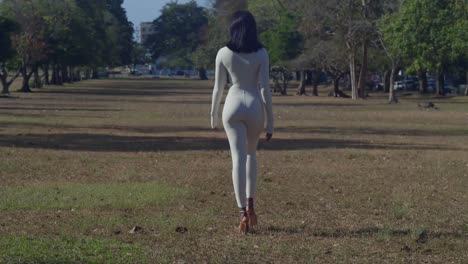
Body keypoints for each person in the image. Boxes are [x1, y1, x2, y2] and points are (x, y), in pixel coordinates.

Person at [210, 10, 274, 233]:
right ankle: (251, 205)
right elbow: (265, 88)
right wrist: (271, 122)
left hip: (233, 105)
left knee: (237, 159)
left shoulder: (223, 53)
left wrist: (212, 115)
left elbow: (218, 88)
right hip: (255, 106)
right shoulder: (262, 53)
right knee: (251, 155)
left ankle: (241, 214)